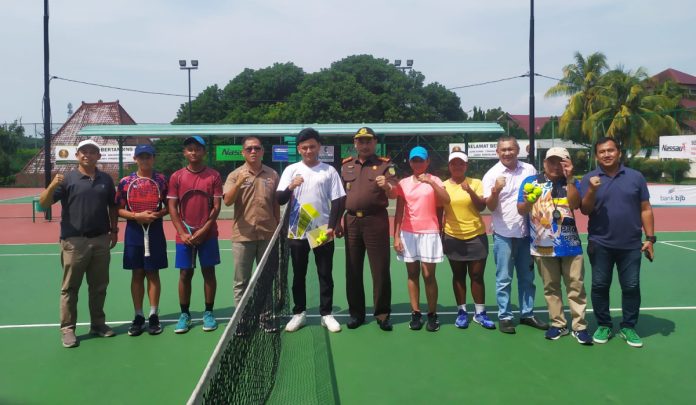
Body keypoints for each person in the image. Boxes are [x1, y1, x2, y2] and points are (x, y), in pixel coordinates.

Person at [39, 139, 119, 348]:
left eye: (92, 152)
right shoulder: (66, 179)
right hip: (74, 242)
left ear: (98, 156)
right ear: (77, 155)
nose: (87, 155)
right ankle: (67, 330)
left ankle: (98, 324)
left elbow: (113, 206)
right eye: (84, 151)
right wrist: (53, 185)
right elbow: (43, 203)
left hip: (101, 239)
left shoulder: (106, 179)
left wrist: (114, 230)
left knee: (99, 287)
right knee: (70, 288)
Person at [580, 137, 655, 348]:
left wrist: (650, 239)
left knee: (631, 286)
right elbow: (585, 210)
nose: (606, 154)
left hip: (631, 245)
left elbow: (646, 209)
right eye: (602, 151)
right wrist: (592, 190)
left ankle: (628, 327)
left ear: (618, 152)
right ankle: (604, 324)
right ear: (596, 156)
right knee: (599, 285)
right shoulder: (589, 178)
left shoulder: (636, 177)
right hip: (600, 243)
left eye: (610, 150)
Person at [517, 147, 592, 344]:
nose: (555, 165)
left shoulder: (572, 182)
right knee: (551, 287)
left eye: (561, 162)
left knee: (576, 286)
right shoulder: (530, 182)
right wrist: (527, 202)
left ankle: (580, 326)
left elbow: (576, 205)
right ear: (544, 163)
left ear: (567, 163)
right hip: (543, 244)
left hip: (570, 243)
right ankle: (558, 324)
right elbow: (521, 210)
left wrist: (569, 179)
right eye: (551, 161)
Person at [276, 128, 346, 333]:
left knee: (325, 273)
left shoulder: (329, 170)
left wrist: (332, 226)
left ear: (319, 147)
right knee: (299, 274)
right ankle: (299, 313)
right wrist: (290, 187)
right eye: (304, 147)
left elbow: (339, 199)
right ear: (299, 149)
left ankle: (326, 314)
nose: (308, 150)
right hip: (297, 230)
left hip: (321, 230)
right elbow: (279, 199)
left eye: (312, 146)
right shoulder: (291, 170)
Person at [482, 136, 548, 334]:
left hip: (527, 233)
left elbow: (537, 198)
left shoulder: (529, 170)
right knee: (504, 278)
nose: (507, 153)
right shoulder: (491, 175)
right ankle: (505, 316)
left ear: (517, 150)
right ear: (497, 152)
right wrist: (495, 190)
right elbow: (490, 206)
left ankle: (527, 314)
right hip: (503, 234)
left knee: (527, 277)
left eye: (511, 149)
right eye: (503, 150)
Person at [336, 127, 397, 332]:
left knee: (379, 270)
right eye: (360, 141)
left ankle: (382, 314)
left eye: (368, 141)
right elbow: (340, 196)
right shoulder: (346, 166)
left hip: (375, 221)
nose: (364, 144)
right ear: (355, 144)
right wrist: (336, 222)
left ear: (375, 143)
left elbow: (394, 191)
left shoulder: (385, 165)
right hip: (351, 221)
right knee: (352, 270)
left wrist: (386, 186)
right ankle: (356, 314)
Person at [167, 136, 223, 334]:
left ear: (203, 152)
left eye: (197, 149)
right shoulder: (176, 177)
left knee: (208, 272)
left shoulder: (214, 176)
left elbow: (216, 207)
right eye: (189, 149)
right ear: (185, 153)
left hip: (208, 234)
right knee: (185, 274)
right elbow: (172, 207)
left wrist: (205, 229)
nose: (193, 152)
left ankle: (208, 312)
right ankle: (185, 314)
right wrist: (182, 232)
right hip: (185, 236)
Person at [393, 146, 450, 332]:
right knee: (412, 274)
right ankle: (416, 313)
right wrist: (396, 236)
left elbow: (446, 200)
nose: (417, 163)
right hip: (408, 233)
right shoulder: (403, 183)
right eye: (414, 160)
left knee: (428, 275)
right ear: (410, 162)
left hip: (430, 233)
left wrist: (430, 183)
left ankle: (432, 314)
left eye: (420, 160)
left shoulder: (435, 180)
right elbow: (399, 210)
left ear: (427, 162)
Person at [115, 144, 169, 336]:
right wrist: (136, 216)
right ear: (135, 159)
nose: (145, 160)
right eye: (141, 157)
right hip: (134, 233)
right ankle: (138, 315)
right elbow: (119, 209)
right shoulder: (125, 182)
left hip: (154, 232)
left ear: (153, 158)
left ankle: (153, 314)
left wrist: (157, 214)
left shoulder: (162, 180)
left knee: (152, 273)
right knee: (137, 274)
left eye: (148, 157)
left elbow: (168, 207)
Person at [442, 147, 496, 330]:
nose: (457, 166)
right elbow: (440, 211)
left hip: (476, 236)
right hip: (452, 236)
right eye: (453, 163)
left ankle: (480, 313)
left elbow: (482, 207)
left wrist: (469, 191)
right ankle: (462, 312)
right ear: (449, 166)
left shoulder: (476, 182)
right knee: (458, 276)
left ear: (466, 165)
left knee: (476, 276)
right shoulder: (443, 185)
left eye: (461, 163)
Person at [223, 137, 280, 306]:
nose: (253, 151)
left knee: (266, 279)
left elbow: (275, 204)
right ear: (243, 153)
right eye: (249, 149)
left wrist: (277, 228)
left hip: (267, 235)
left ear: (262, 151)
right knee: (241, 282)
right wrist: (240, 182)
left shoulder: (273, 174)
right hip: (243, 237)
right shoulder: (234, 175)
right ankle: (241, 319)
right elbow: (227, 201)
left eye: (257, 148)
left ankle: (266, 315)